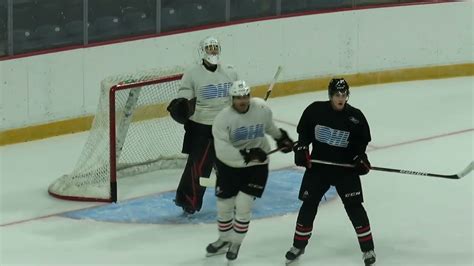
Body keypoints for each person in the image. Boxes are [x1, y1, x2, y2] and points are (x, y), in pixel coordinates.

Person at [285, 78, 376, 265]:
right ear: (330, 95)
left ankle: (368, 250)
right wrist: (302, 148)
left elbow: (361, 144)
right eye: (337, 95)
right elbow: (304, 134)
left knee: (355, 207)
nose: (341, 99)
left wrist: (360, 159)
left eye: (344, 95)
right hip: (319, 168)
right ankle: (298, 245)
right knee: (308, 204)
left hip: (345, 170)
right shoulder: (315, 111)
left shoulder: (356, 117)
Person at [206, 80, 294, 262]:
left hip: (257, 167)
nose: (242, 101)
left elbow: (269, 127)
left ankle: (236, 242)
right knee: (224, 206)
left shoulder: (261, 109)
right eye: (238, 97)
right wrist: (247, 154)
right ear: (232, 99)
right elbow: (221, 150)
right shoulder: (223, 119)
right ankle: (224, 239)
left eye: (245, 96)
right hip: (229, 166)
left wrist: (281, 138)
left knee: (244, 205)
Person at [167, 36, 239, 214]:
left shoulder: (230, 72)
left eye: (215, 47)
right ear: (202, 51)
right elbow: (184, 96)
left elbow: (236, 98)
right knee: (198, 167)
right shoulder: (192, 73)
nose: (213, 51)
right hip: (201, 129)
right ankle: (188, 201)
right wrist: (182, 105)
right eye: (209, 48)